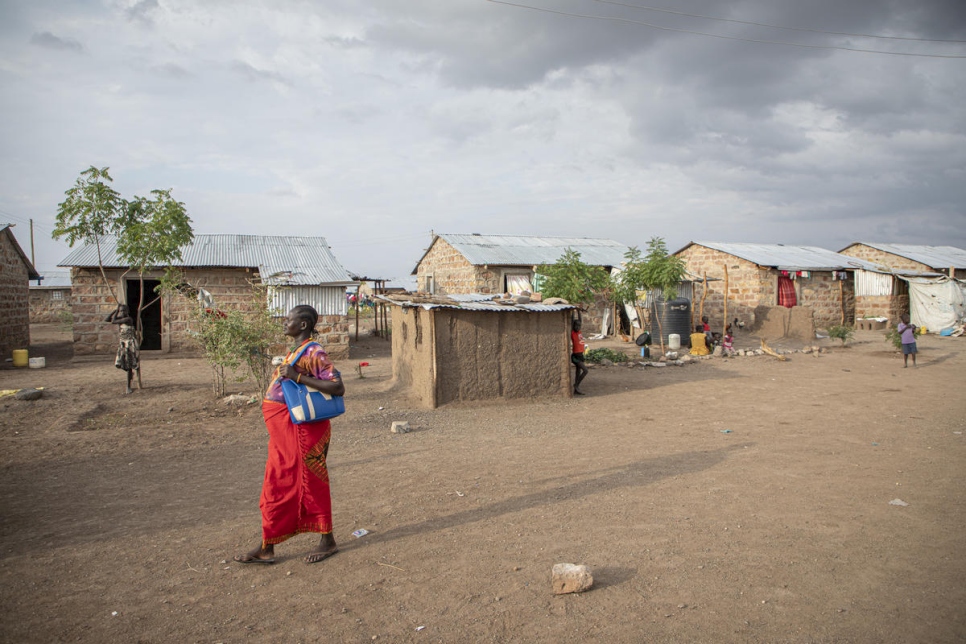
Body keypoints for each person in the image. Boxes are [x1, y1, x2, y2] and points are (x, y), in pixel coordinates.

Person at [235, 305, 346, 565]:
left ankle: (327, 540)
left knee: (309, 482)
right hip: (285, 433)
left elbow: (337, 387)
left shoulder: (314, 351)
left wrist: (298, 377)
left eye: (289, 320)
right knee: (277, 483)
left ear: (304, 325)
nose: (284, 323)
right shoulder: (295, 352)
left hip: (303, 433)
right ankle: (267, 546)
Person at [106, 304, 140, 394]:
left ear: (127, 311)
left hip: (129, 344)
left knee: (129, 364)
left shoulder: (128, 319)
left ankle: (128, 386)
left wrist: (116, 311)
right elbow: (107, 319)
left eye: (123, 311)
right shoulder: (120, 319)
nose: (122, 312)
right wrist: (114, 311)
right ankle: (130, 377)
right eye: (121, 311)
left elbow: (113, 321)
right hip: (123, 344)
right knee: (123, 363)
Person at [571, 318, 588, 395]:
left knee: (578, 372)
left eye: (579, 325)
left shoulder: (579, 332)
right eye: (576, 325)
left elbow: (580, 319)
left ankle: (576, 389)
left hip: (581, 355)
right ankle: (576, 385)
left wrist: (579, 311)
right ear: (573, 326)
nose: (578, 327)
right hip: (575, 356)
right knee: (585, 370)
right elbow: (572, 320)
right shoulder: (573, 333)